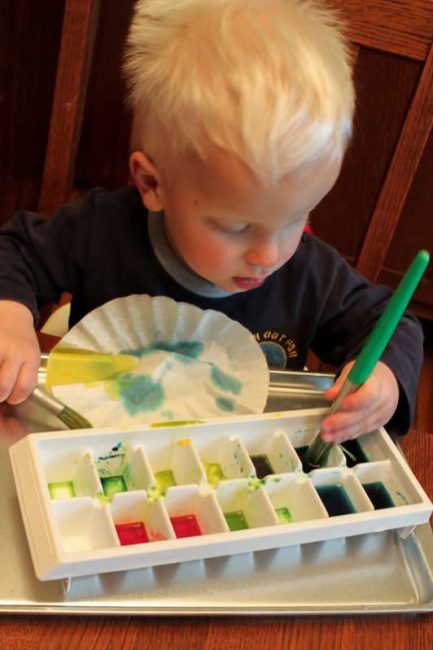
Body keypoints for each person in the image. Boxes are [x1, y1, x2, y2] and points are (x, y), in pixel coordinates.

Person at [0, 0, 424, 444]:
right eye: (236, 227)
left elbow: (393, 324)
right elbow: (16, 250)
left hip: (233, 465)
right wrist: (11, 319)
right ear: (152, 184)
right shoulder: (102, 230)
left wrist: (384, 379)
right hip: (96, 445)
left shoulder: (307, 273)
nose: (270, 254)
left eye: (296, 218)